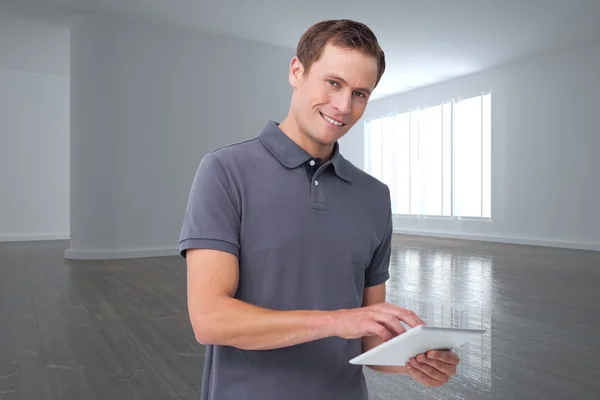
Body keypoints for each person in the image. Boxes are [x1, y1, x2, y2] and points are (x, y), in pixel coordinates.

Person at [179, 19, 460, 400]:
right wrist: (336, 321)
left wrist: (413, 359)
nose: (343, 106)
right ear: (297, 71)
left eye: (360, 93)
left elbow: (367, 339)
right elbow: (210, 320)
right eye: (333, 83)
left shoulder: (374, 196)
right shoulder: (225, 171)